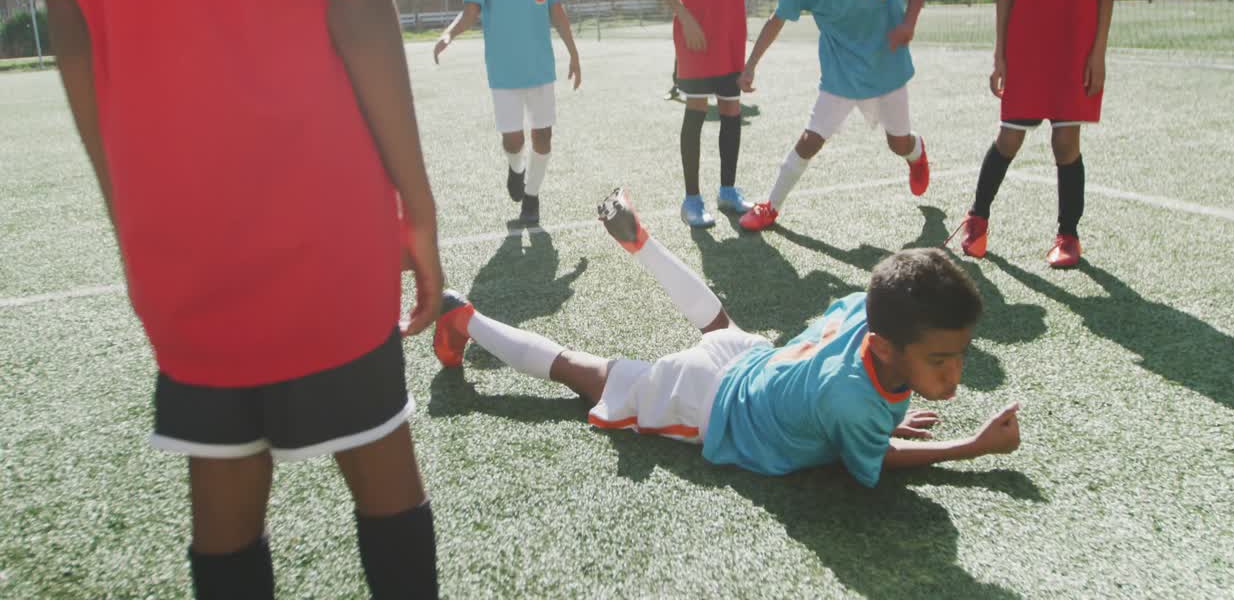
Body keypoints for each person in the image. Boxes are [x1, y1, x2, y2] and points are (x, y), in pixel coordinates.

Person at [1, 0, 447, 596]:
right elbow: (359, 0)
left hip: (171, 220)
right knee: (381, 467)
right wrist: (418, 207)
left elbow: (70, 24)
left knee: (221, 487)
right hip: (320, 204)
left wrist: (129, 216)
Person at [432, 188, 1023, 486]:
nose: (954, 374)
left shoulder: (863, 309)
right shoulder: (851, 399)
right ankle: (466, 319)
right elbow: (876, 459)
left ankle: (645, 245)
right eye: (941, 360)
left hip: (753, 358)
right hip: (709, 403)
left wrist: (883, 414)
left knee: (718, 323)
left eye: (958, 356)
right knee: (584, 373)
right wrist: (970, 446)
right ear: (891, 346)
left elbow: (839, 389)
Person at [736, 0, 931, 233]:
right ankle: (771, 206)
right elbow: (776, 20)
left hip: (886, 68)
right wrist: (750, 66)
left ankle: (917, 154)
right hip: (841, 77)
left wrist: (908, 24)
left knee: (897, 143)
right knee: (810, 140)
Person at [952, 0, 1129, 268]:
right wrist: (1000, 54)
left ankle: (1068, 235)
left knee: (1066, 143)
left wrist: (1098, 53)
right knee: (1008, 139)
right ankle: (977, 219)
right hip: (1026, 51)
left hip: (1074, 50)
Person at [435, 0, 582, 226]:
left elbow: (557, 11)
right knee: (513, 141)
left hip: (540, 68)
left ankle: (531, 199)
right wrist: (448, 34)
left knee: (543, 136)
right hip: (503, 71)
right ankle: (516, 169)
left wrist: (574, 54)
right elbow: (471, 11)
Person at [654, 0, 788, 227]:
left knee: (731, 108)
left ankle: (727, 191)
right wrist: (687, 21)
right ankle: (692, 200)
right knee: (697, 109)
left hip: (730, 36)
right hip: (696, 38)